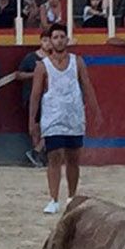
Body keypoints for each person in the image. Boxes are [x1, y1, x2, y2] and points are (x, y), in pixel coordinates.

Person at [28, 22, 99, 216]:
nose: (59, 40)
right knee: (54, 156)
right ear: (50, 41)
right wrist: (32, 120)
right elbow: (35, 95)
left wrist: (95, 110)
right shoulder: (42, 66)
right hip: (52, 116)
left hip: (74, 115)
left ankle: (71, 197)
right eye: (55, 37)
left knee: (73, 158)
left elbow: (87, 86)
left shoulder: (78, 62)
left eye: (62, 37)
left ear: (67, 39)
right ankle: (53, 199)